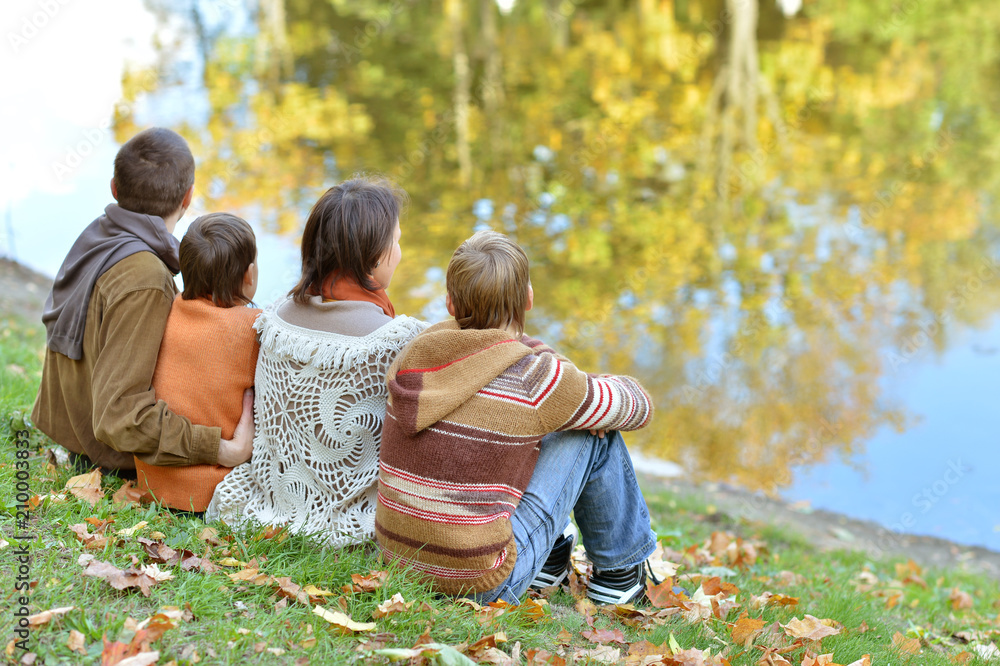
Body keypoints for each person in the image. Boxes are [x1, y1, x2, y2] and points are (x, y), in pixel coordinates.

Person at [375, 230, 658, 606]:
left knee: (540, 422)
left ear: (449, 304)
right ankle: (619, 576)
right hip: (484, 583)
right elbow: (637, 408)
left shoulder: (417, 354)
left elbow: (500, 352)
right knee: (589, 433)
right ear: (528, 299)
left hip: (401, 562)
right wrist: (585, 383)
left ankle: (553, 558)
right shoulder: (534, 380)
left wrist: (557, 376)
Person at [207, 176, 426, 547]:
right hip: (353, 525)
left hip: (272, 506)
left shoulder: (274, 321)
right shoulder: (399, 341)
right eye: (397, 242)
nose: (400, 251)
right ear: (373, 258)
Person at [32, 128, 254, 475]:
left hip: (74, 431)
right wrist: (222, 449)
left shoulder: (99, 231)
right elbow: (120, 417)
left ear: (114, 189)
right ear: (188, 197)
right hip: (107, 455)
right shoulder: (145, 280)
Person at [134, 213, 262, 512]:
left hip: (151, 483)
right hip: (210, 492)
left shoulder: (170, 308)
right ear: (249, 274)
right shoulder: (252, 327)